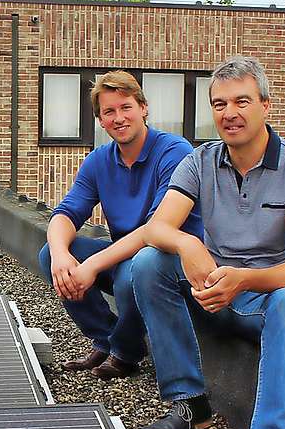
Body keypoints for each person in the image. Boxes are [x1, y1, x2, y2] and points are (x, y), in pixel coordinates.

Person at [69, 55, 285, 429]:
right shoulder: (201, 160)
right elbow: (158, 228)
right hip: (209, 290)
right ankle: (189, 402)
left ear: (266, 105)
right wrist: (188, 244)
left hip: (260, 299)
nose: (230, 112)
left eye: (242, 101)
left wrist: (242, 280)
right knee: (149, 262)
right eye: (220, 104)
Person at [39, 70, 202, 379]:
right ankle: (107, 339)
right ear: (100, 120)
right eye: (109, 112)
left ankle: (126, 354)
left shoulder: (174, 152)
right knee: (52, 253)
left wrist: (92, 266)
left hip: (168, 262)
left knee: (132, 272)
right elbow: (67, 213)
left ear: (143, 108)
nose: (119, 117)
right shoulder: (100, 160)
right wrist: (62, 255)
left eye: (126, 107)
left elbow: (156, 229)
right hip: (125, 255)